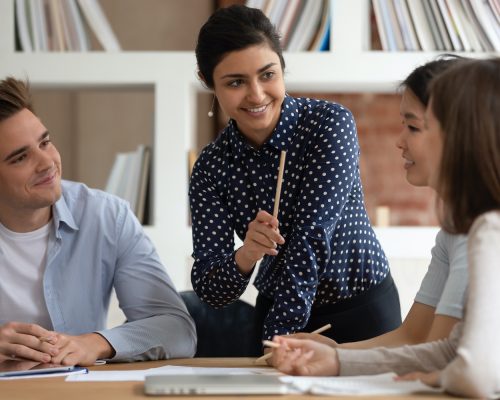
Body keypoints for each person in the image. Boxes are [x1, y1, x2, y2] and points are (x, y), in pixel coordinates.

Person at [271, 57, 500, 399]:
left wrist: (438, 377)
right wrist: (337, 358)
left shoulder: (487, 230)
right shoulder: (465, 228)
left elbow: (470, 369)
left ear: (463, 135)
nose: (401, 141)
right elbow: (449, 350)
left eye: (421, 126)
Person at [189, 4, 401, 353]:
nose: (256, 95)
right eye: (236, 82)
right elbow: (212, 289)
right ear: (207, 81)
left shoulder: (328, 124)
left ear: (282, 67)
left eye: (267, 75)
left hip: (360, 312)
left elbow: (310, 239)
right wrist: (247, 254)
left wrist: (278, 340)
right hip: (275, 313)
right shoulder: (212, 167)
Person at [0, 77, 197, 366]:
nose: (47, 163)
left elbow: (178, 330)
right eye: (20, 158)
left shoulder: (106, 217)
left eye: (45, 142)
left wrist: (96, 343)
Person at [290, 56, 467, 351]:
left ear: (456, 132)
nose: (399, 141)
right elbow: (412, 337)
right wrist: (331, 352)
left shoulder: (481, 230)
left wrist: (335, 359)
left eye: (412, 127)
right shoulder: (452, 230)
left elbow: (439, 354)